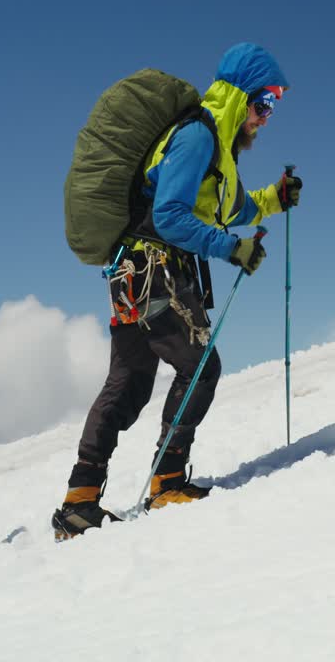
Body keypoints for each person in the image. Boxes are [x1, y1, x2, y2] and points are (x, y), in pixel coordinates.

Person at [52, 43, 302, 539]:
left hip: (133, 274)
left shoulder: (218, 151)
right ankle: (167, 484)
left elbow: (229, 208)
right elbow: (170, 215)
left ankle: (79, 503)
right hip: (155, 267)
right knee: (200, 365)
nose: (266, 119)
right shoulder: (196, 137)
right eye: (263, 104)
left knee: (129, 381)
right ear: (238, 97)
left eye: (273, 107)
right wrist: (230, 250)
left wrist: (273, 199)